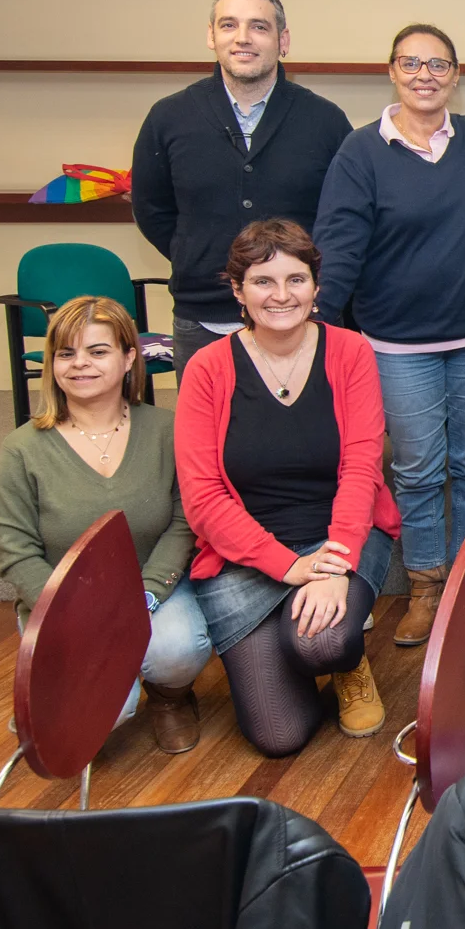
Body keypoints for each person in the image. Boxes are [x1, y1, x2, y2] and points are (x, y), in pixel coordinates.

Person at [313, 24, 465, 647]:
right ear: (392, 71)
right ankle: (426, 584)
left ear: (456, 75)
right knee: (418, 468)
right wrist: (316, 327)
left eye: (438, 64)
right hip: (397, 345)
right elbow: (338, 247)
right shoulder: (360, 152)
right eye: (411, 63)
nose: (424, 75)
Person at [176, 220, 398, 758]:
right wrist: (289, 567)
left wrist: (334, 565)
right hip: (244, 555)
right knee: (279, 736)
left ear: (316, 286)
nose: (281, 295)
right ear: (238, 291)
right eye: (263, 281)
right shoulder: (207, 368)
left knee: (323, 643)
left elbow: (361, 468)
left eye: (296, 279)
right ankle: (294, 629)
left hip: (338, 535)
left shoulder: (350, 351)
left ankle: (343, 660)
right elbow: (202, 499)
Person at [0, 295, 208, 753]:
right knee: (101, 716)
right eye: (65, 353)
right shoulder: (22, 448)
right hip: (62, 605)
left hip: (152, 590)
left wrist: (146, 595)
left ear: (129, 358)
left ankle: (169, 699)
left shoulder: (167, 429)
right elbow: (15, 550)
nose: (79, 364)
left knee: (177, 651)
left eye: (97, 351)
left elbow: (184, 521)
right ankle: (51, 691)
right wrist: (69, 615)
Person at [132, 0, 352, 376]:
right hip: (202, 316)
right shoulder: (168, 117)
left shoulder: (326, 121)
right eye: (229, 25)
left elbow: (343, 219)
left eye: (259, 26)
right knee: (208, 418)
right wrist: (197, 254)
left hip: (300, 316)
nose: (243, 38)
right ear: (211, 36)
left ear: (283, 40)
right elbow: (152, 210)